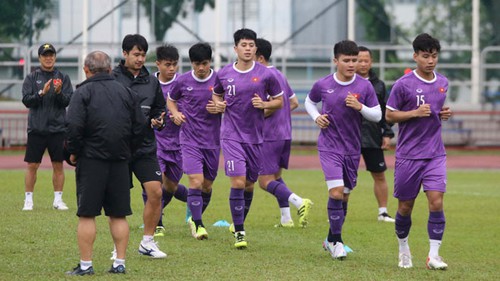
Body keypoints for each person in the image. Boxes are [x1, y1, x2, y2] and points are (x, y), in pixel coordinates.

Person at [65, 51, 145, 275]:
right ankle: (119, 263)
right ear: (110, 70)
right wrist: (128, 151)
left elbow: (73, 127)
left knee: (87, 214)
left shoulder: (82, 93)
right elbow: (140, 127)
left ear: (86, 70)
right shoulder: (126, 92)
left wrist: (74, 152)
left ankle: (86, 265)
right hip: (120, 161)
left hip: (91, 161)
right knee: (118, 214)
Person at [304, 40, 381, 260]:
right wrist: (316, 117)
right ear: (335, 61)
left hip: (352, 148)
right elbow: (309, 102)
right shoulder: (323, 84)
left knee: (345, 196)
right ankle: (337, 242)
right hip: (329, 146)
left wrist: (360, 107)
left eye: (354, 60)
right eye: (346, 60)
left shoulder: (364, 86)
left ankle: (330, 238)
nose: (351, 64)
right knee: (336, 192)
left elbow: (377, 115)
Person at [212, 28, 283, 249]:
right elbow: (216, 93)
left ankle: (239, 221)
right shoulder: (223, 73)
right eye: (244, 45)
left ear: (255, 49)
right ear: (236, 48)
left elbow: (279, 101)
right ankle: (240, 231)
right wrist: (218, 104)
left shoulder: (267, 74)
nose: (248, 49)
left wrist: (265, 104)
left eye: (251, 45)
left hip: (255, 137)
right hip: (231, 136)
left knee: (250, 184)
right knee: (238, 181)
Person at [385, 33, 452, 270]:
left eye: (434, 56)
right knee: (405, 207)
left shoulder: (443, 82)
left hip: (435, 153)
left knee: (436, 201)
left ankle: (434, 255)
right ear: (415, 56)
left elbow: (437, 110)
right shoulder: (402, 85)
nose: (430, 61)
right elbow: (390, 116)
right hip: (408, 155)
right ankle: (403, 247)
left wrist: (442, 114)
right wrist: (414, 113)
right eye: (425, 56)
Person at [113, 34, 167, 258]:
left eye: (143, 54)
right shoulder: (112, 78)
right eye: (136, 54)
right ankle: (117, 248)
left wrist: (159, 120)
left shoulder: (152, 81)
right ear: (125, 53)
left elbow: (159, 109)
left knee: (155, 191)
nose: (140, 58)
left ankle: (147, 242)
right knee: (118, 200)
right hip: (118, 147)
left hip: (145, 147)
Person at [254, 38, 313, 228]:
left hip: (269, 135)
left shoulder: (263, 76)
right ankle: (286, 219)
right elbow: (294, 102)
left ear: (260, 57)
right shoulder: (279, 74)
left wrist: (255, 117)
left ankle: (299, 201)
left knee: (264, 181)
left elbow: (270, 106)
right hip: (285, 133)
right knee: (276, 177)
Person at [168, 42, 221, 240]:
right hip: (189, 140)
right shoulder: (182, 81)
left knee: (207, 185)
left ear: (210, 62)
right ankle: (198, 224)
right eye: (196, 64)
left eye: (204, 63)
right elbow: (171, 100)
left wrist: (220, 107)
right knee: (195, 181)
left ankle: (194, 218)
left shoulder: (219, 79)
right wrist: (175, 113)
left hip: (212, 141)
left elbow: (228, 103)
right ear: (191, 63)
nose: (200, 68)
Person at [21, 43, 73, 211]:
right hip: (37, 128)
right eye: (45, 55)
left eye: (51, 55)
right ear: (40, 58)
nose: (48, 58)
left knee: (58, 165)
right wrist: (41, 93)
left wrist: (58, 93)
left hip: (58, 129)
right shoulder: (31, 77)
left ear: (55, 57)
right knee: (32, 165)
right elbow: (27, 101)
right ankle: (28, 200)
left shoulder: (63, 77)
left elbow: (67, 101)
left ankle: (58, 200)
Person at [149, 44, 189, 237]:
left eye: (174, 64)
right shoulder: (149, 84)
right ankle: (157, 222)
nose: (171, 68)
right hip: (155, 142)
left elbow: (191, 108)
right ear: (158, 64)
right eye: (167, 64)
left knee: (171, 186)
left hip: (179, 143)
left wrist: (180, 115)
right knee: (154, 183)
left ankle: (194, 198)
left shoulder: (182, 83)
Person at [356, 46, 395, 223]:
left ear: (371, 62)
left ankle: (383, 212)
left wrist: (387, 133)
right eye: (359, 60)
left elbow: (385, 111)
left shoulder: (378, 85)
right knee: (344, 175)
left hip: (372, 137)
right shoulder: (345, 83)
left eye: (366, 60)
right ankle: (339, 211)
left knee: (379, 174)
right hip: (350, 137)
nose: (362, 63)